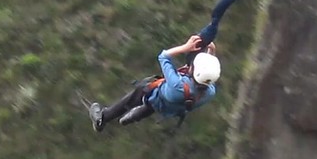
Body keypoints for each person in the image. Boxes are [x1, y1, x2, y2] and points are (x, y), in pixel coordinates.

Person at [89, 34, 221, 131]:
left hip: (157, 97)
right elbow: (206, 75)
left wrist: (185, 47)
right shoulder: (210, 92)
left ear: (194, 71)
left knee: (142, 90)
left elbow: (163, 56)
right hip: (173, 109)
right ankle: (138, 114)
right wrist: (211, 51)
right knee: (154, 105)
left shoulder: (177, 84)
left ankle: (103, 118)